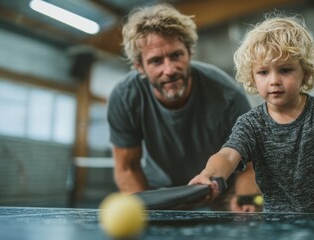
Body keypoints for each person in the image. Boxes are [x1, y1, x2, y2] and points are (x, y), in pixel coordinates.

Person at [189, 13, 314, 217]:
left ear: (306, 73)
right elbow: (228, 155)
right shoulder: (251, 123)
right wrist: (208, 175)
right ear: (252, 76)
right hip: (279, 221)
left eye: (285, 70)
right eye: (263, 72)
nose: (274, 80)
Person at [107, 4, 260, 211]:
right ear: (139, 67)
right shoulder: (125, 97)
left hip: (218, 194)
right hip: (160, 194)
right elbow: (128, 168)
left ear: (189, 53)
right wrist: (145, 209)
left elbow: (249, 165)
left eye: (176, 55)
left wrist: (245, 200)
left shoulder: (227, 95)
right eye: (156, 61)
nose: (169, 69)